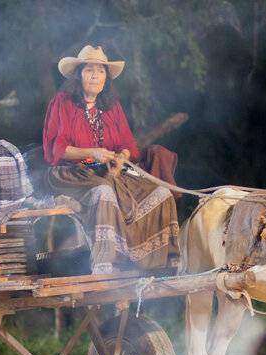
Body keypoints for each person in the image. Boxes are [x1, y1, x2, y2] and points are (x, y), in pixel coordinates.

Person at [42, 45, 179, 274]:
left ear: (106, 77)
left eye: (101, 71)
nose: (95, 76)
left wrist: (122, 157)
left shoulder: (111, 106)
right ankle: (108, 264)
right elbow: (57, 150)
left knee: (160, 192)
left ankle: (161, 264)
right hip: (74, 170)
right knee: (103, 191)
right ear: (79, 75)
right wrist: (92, 153)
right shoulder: (63, 102)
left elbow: (128, 144)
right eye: (89, 70)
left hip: (107, 168)